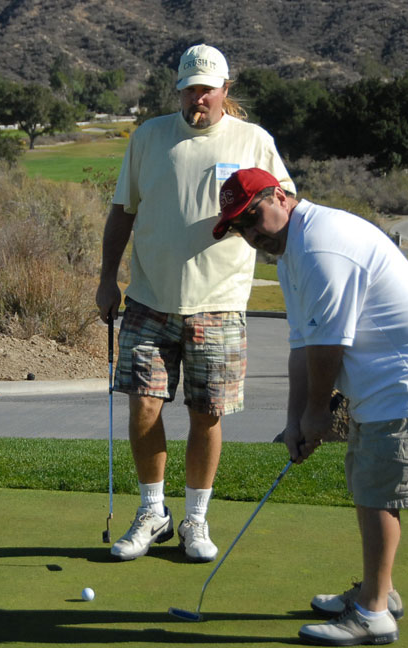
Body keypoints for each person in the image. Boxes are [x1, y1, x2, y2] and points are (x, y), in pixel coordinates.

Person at [214, 168, 408, 645]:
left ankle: (373, 614)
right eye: (239, 227)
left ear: (280, 196)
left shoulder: (320, 246)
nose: (251, 234)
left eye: (253, 217)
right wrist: (295, 419)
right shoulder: (293, 250)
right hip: (383, 383)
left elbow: (328, 347)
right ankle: (381, 590)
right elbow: (302, 346)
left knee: (377, 491)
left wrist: (316, 414)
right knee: (369, 482)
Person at [95, 44, 296, 563]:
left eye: (207, 88)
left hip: (221, 303)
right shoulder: (149, 137)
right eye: (190, 88)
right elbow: (122, 212)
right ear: (179, 89)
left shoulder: (254, 141)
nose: (198, 97)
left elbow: (285, 213)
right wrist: (105, 280)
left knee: (206, 415)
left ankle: (196, 520)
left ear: (226, 89)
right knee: (143, 407)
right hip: (148, 299)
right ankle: (153, 513)